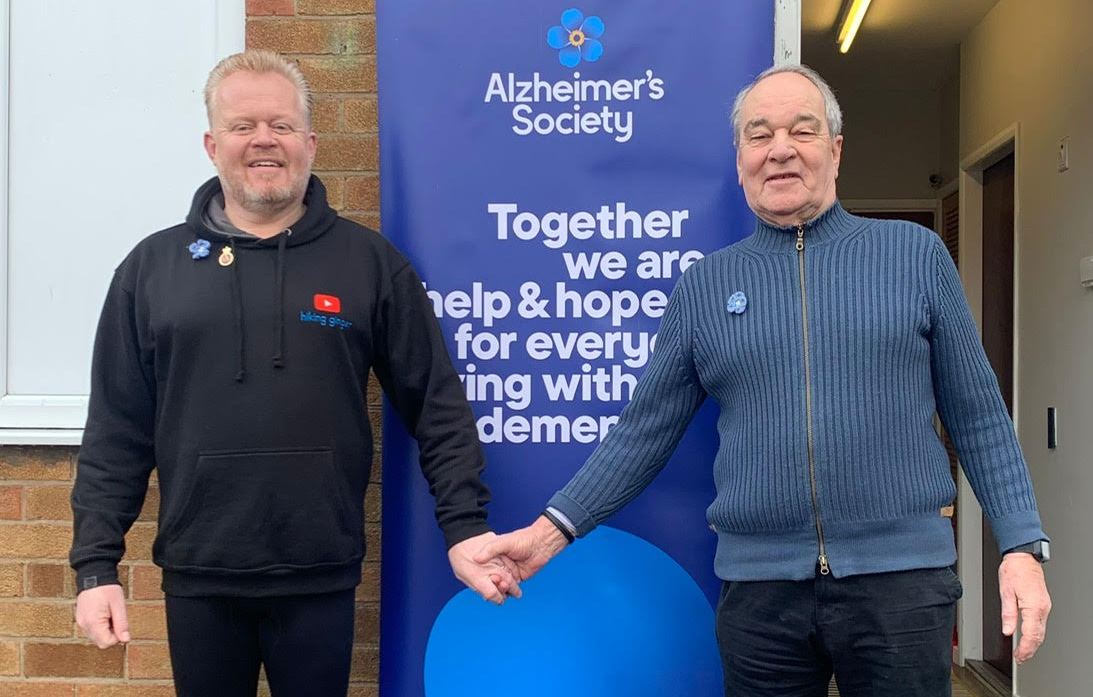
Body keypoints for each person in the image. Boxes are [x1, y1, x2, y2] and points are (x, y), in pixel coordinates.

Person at [477, 64, 1051, 696]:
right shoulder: (704, 287)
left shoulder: (916, 256)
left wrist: (1021, 544)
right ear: (740, 158)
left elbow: (979, 414)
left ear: (835, 150)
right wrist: (548, 534)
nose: (779, 148)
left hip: (903, 585)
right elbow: (641, 435)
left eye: (801, 130)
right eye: (759, 134)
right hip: (761, 597)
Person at [70, 49, 517, 697]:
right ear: (211, 142)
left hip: (319, 573)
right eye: (243, 125)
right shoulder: (151, 269)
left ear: (309, 141)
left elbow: (437, 406)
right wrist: (95, 566)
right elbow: (116, 429)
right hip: (199, 572)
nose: (263, 140)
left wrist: (465, 526)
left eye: (280, 125)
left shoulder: (368, 265)